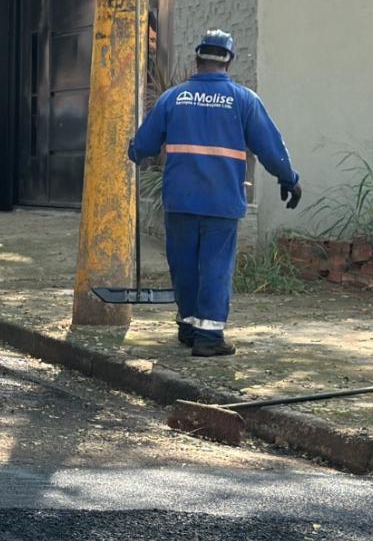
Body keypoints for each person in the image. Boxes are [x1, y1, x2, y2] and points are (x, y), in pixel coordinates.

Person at [129, 29, 301, 357]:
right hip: (221, 201)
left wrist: (134, 151)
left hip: (180, 199)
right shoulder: (244, 100)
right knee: (215, 265)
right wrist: (289, 179)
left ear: (197, 59)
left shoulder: (173, 98)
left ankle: (189, 326)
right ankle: (208, 335)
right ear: (229, 62)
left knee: (184, 264)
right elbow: (271, 148)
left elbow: (144, 145)